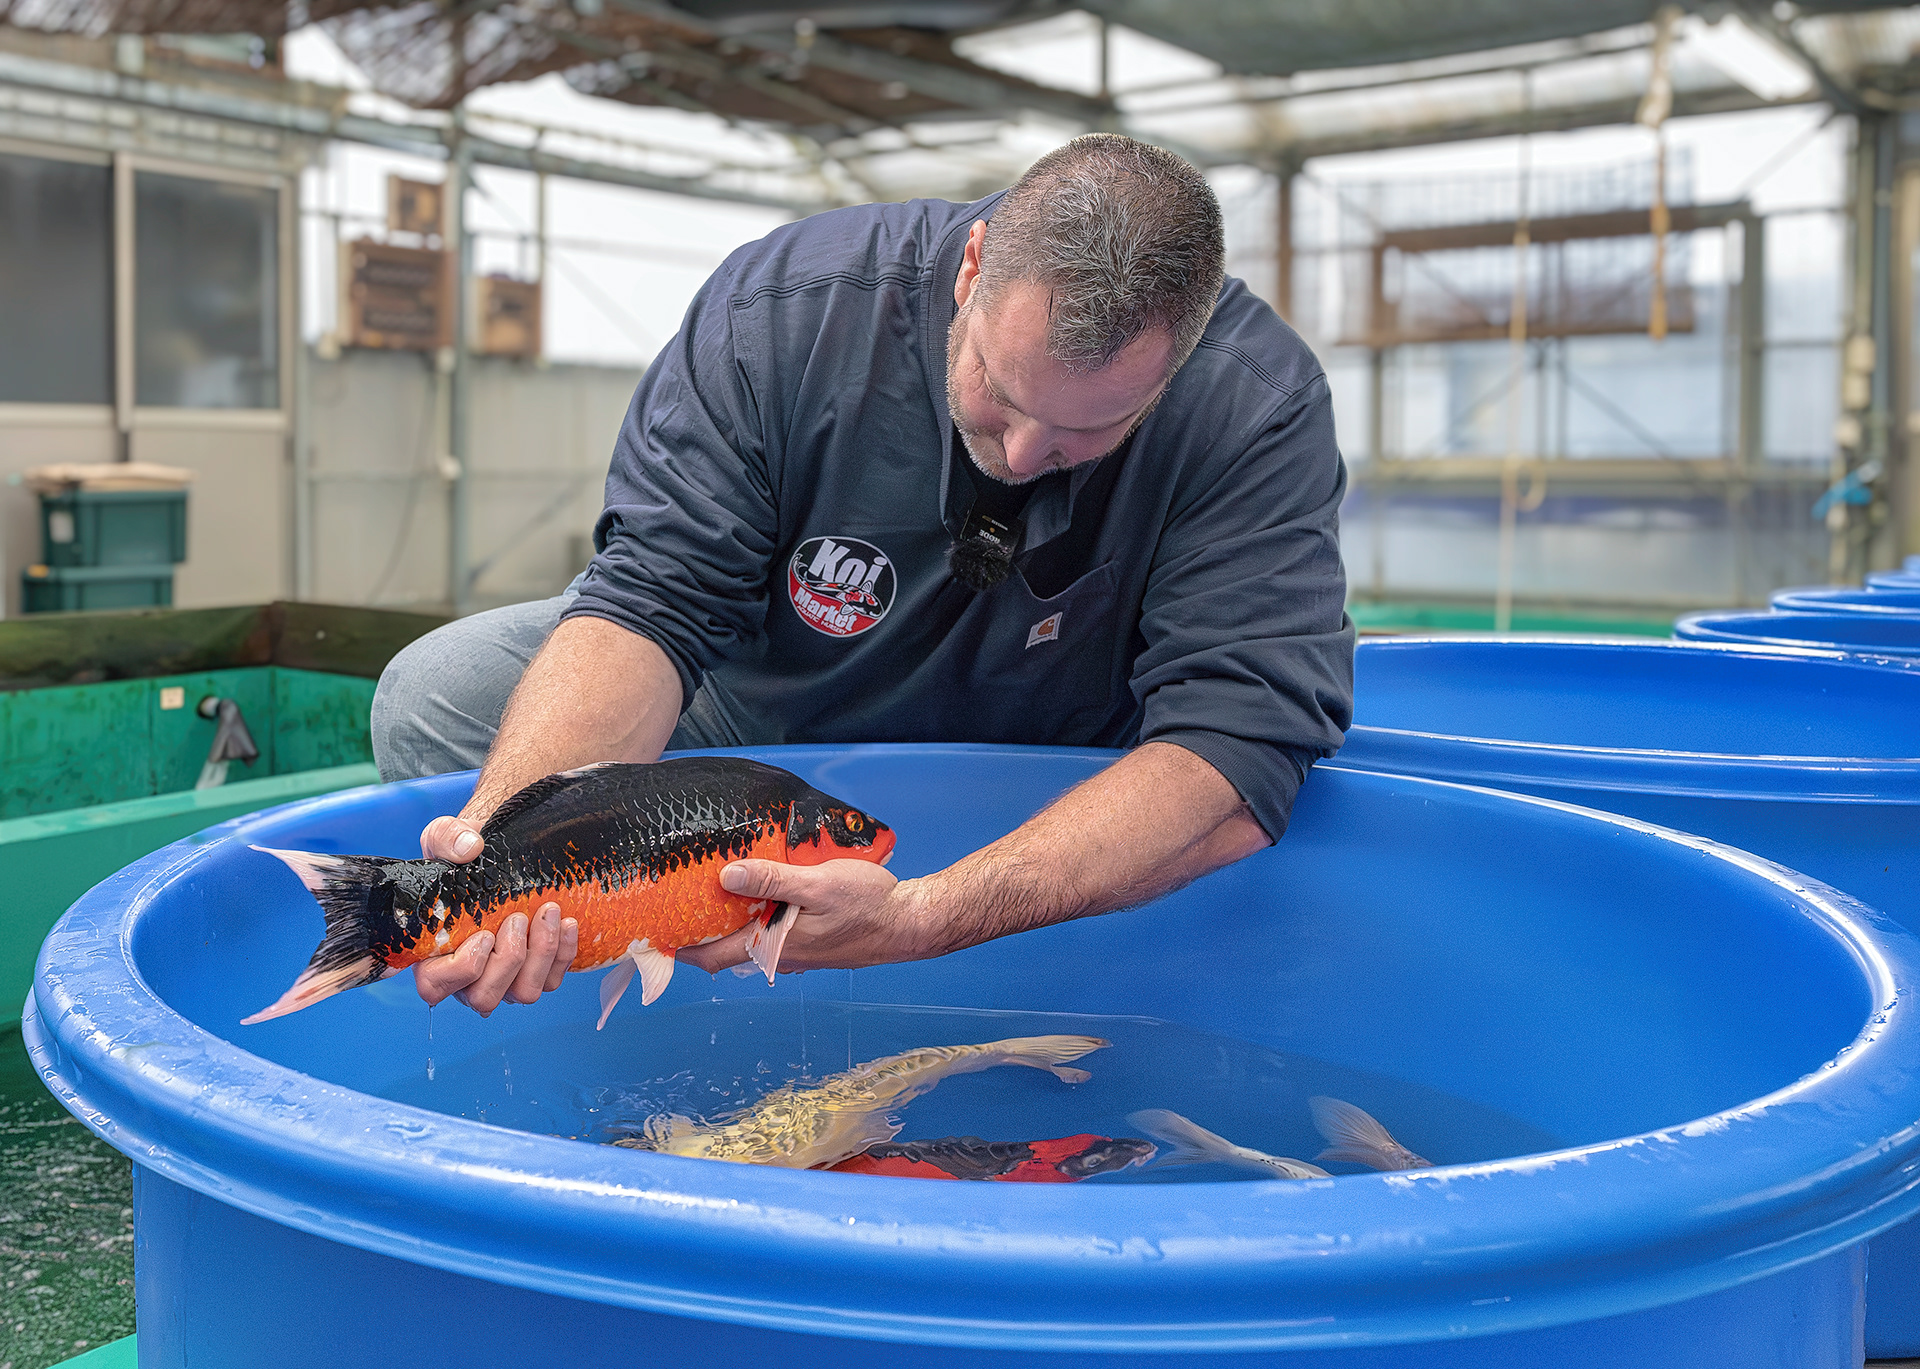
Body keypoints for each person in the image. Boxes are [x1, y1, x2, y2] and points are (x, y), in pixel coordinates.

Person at [371, 133, 1353, 1017]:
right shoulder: (785, 311)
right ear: (971, 268)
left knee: (1257, 808)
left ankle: (1046, 940)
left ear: (1175, 370)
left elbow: (1239, 740)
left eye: (1089, 429)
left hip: (1049, 745)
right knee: (438, 694)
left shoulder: (1255, 402)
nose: (1019, 451)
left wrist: (921, 916)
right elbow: (653, 601)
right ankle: (618, 944)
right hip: (766, 712)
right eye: (999, 393)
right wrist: (509, 868)